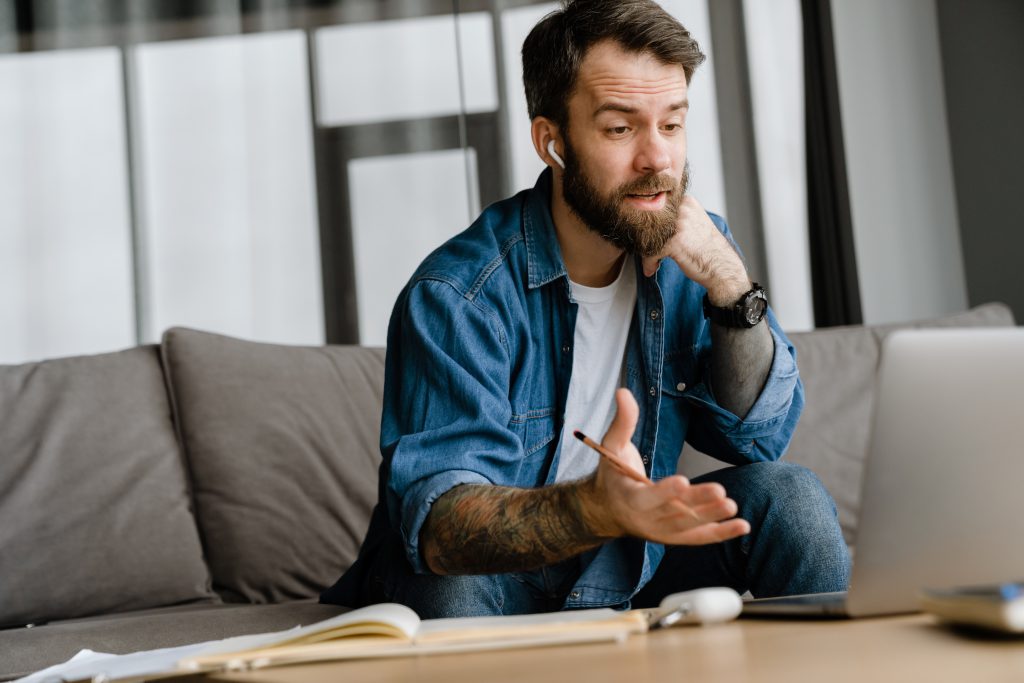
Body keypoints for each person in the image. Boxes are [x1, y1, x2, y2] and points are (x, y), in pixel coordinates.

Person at [322, 0, 850, 617]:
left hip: (623, 557)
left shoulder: (695, 253)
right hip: (488, 574)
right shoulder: (459, 294)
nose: (658, 159)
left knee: (790, 497)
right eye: (621, 128)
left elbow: (758, 440)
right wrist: (593, 507)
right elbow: (442, 528)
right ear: (554, 143)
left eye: (672, 125)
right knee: (453, 582)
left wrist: (732, 287)